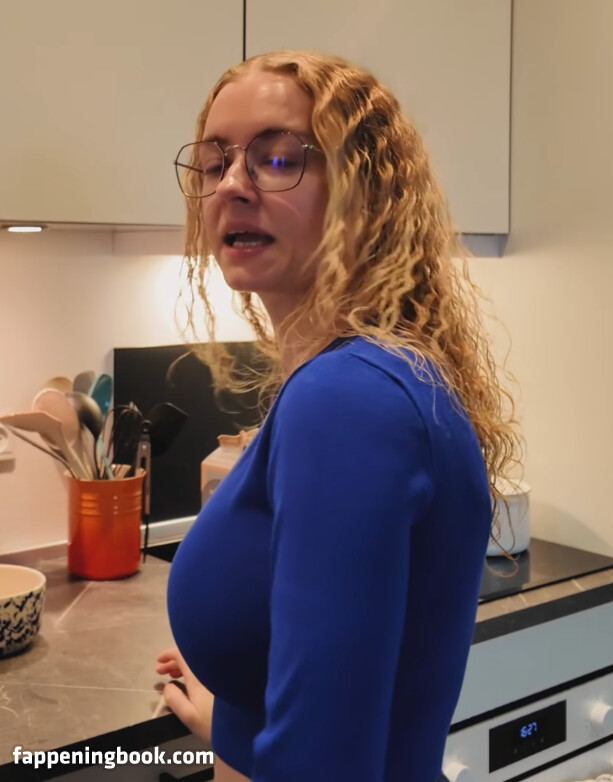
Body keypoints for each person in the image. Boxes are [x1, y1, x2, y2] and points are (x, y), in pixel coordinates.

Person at [156, 49, 520, 782]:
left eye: (278, 159)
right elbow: (340, 696)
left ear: (366, 192)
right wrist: (236, 716)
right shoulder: (374, 376)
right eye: (216, 162)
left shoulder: (344, 400)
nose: (232, 185)